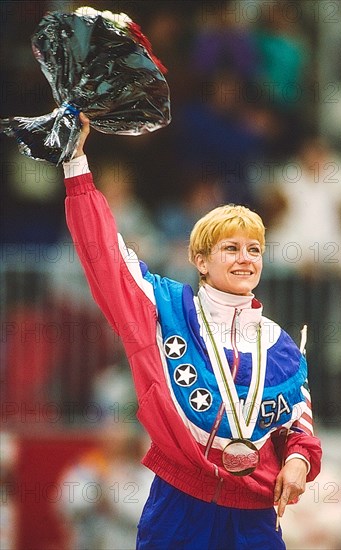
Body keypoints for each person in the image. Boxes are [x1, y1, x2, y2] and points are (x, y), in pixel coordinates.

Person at [62, 113, 321, 550]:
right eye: (231, 248)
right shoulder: (164, 310)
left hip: (254, 515)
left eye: (254, 249)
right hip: (179, 505)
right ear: (201, 261)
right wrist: (75, 165)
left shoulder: (281, 345)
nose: (245, 259)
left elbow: (298, 426)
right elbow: (104, 256)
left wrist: (298, 461)